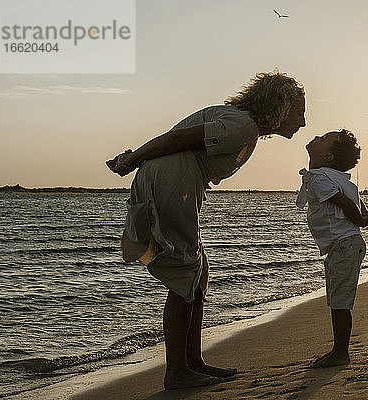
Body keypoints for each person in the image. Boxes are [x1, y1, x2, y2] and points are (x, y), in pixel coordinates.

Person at [106, 71, 306, 389]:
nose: (303, 121)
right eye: (299, 112)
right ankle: (177, 372)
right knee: (186, 271)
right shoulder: (243, 125)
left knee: (198, 272)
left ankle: (192, 362)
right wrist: (133, 159)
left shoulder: (242, 124)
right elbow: (175, 140)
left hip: (178, 181)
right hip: (172, 181)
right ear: (279, 107)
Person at [296, 129, 368, 368]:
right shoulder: (339, 178)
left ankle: (340, 353)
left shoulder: (320, 178)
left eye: (324, 139)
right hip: (346, 244)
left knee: (339, 301)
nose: (317, 137)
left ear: (328, 156)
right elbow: (354, 203)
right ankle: (339, 350)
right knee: (337, 299)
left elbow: (342, 202)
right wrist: (364, 217)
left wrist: (360, 221)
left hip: (344, 245)